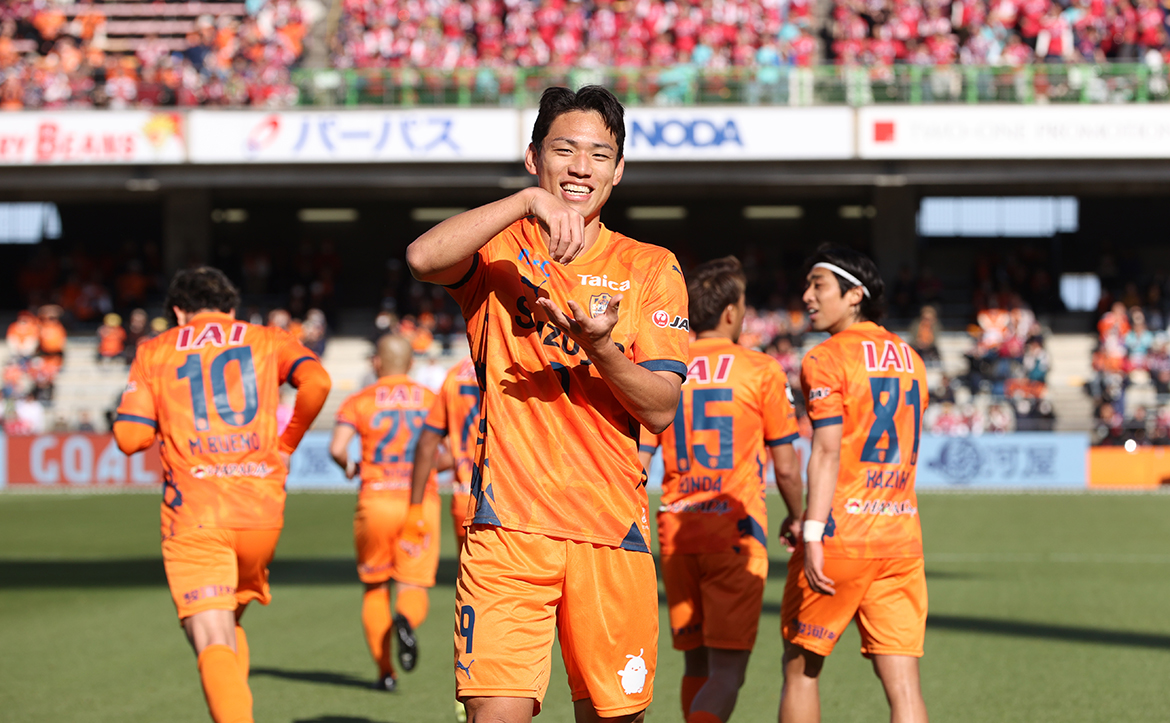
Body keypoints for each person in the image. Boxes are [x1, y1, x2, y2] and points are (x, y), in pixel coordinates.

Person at [405, 85, 689, 723]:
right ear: (534, 157)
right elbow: (422, 257)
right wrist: (526, 202)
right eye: (564, 150)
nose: (581, 167)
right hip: (507, 529)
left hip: (610, 531)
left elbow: (660, 408)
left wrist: (601, 348)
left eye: (599, 155)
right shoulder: (498, 251)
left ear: (619, 170)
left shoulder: (651, 267)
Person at [113, 267, 332, 723]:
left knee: (211, 637)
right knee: (227, 622)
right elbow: (318, 382)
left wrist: (159, 421)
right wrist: (286, 444)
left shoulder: (155, 349)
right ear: (232, 309)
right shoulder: (265, 337)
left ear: (178, 312)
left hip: (197, 512)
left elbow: (130, 438)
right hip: (260, 511)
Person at [638, 256, 802, 723]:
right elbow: (787, 466)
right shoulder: (761, 369)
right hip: (733, 532)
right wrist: (798, 515)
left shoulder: (666, 367)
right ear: (731, 311)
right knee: (728, 671)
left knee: (696, 662)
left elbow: (638, 461)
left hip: (677, 531)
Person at [779, 246, 930, 723]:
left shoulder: (825, 358)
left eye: (818, 285)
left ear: (854, 295)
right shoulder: (911, 358)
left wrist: (811, 533)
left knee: (800, 670)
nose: (807, 296)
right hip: (900, 539)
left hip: (842, 536)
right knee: (904, 688)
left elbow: (826, 451)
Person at [329, 334, 445, 692]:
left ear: (377, 363)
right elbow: (451, 454)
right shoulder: (431, 399)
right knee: (413, 585)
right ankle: (406, 619)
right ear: (411, 364)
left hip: (375, 500)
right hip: (419, 502)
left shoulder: (359, 400)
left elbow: (337, 449)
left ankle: (385, 673)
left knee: (375, 587)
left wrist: (351, 467)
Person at [411, 355, 479, 555]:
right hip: (515, 498)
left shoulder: (454, 375)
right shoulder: (519, 363)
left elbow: (427, 443)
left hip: (467, 495)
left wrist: (415, 508)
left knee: (471, 572)